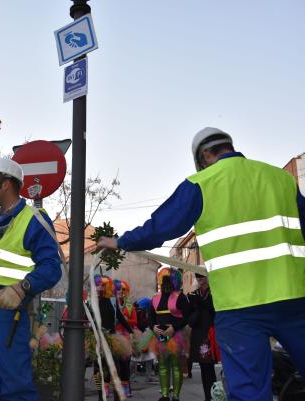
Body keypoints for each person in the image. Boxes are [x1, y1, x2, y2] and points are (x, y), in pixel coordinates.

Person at [96, 127, 305, 401]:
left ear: (205, 154)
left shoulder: (201, 184)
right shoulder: (280, 179)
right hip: (295, 300)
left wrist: (120, 241)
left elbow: (160, 227)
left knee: (250, 393)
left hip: (240, 305)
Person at [0, 158, 62, 401]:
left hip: (7, 312)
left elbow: (52, 268)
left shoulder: (33, 219)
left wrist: (22, 288)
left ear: (6, 183)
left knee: (15, 385)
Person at [146, 268, 190, 401]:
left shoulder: (181, 297)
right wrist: (153, 327)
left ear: (174, 282)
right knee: (163, 365)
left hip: (176, 336)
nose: (166, 285)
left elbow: (187, 316)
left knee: (176, 365)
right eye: (163, 282)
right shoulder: (155, 298)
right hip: (160, 337)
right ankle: (164, 395)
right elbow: (151, 317)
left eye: (169, 281)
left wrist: (174, 327)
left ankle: (176, 396)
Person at [187, 273, 218, 401]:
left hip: (210, 333)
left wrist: (205, 305)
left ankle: (213, 396)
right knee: (203, 367)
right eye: (198, 278)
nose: (200, 280)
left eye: (202, 278)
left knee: (209, 367)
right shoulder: (193, 295)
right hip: (199, 334)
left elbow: (216, 311)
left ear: (207, 278)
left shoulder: (214, 293)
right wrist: (197, 309)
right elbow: (189, 317)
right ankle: (208, 396)